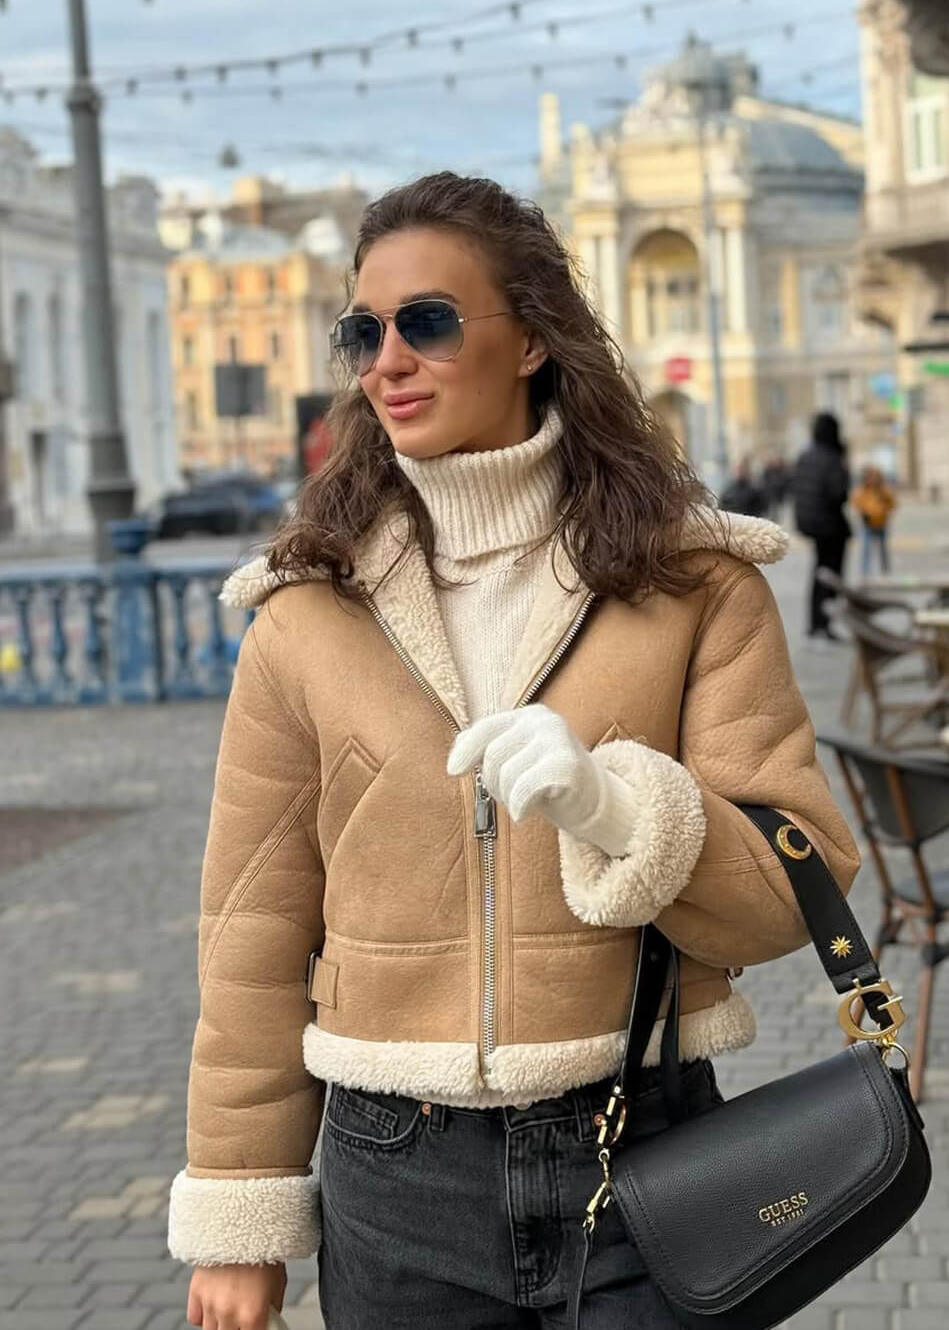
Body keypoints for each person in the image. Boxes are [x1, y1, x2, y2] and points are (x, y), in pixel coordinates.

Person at [170, 172, 860, 1330]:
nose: (388, 361)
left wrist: (623, 813)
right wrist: (243, 1210)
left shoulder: (694, 581)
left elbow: (795, 889)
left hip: (643, 1148)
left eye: (428, 322)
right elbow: (252, 933)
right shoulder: (305, 609)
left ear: (533, 337)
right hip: (394, 1174)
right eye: (363, 333)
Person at [792, 411, 852, 644]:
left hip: (812, 525)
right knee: (831, 577)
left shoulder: (805, 456)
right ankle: (824, 624)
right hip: (831, 527)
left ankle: (815, 623)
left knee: (818, 574)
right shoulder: (832, 458)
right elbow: (839, 494)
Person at [851, 464, 896, 578]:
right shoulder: (863, 490)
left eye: (875, 477)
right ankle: (865, 572)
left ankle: (885, 571)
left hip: (881, 523)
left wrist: (884, 510)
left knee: (883, 550)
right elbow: (857, 503)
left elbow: (892, 503)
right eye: (871, 477)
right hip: (867, 524)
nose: (873, 480)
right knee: (866, 549)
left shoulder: (883, 490)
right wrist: (865, 512)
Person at [760, 454, 791, 520]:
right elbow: (766, 484)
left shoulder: (783, 472)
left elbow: (784, 483)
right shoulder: (768, 472)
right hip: (770, 497)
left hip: (780, 498)